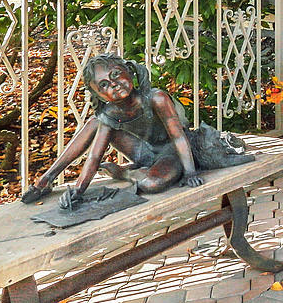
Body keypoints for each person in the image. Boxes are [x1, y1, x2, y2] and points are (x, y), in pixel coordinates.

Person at [21, 53, 252, 209]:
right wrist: (79, 191)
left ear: (128, 72)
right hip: (143, 152)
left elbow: (179, 136)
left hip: (171, 152)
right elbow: (94, 156)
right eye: (103, 85)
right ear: (99, 95)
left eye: (115, 75)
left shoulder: (155, 98)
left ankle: (126, 173)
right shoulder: (109, 113)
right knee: (96, 122)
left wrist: (190, 173)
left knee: (151, 185)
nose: (113, 85)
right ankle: (47, 178)